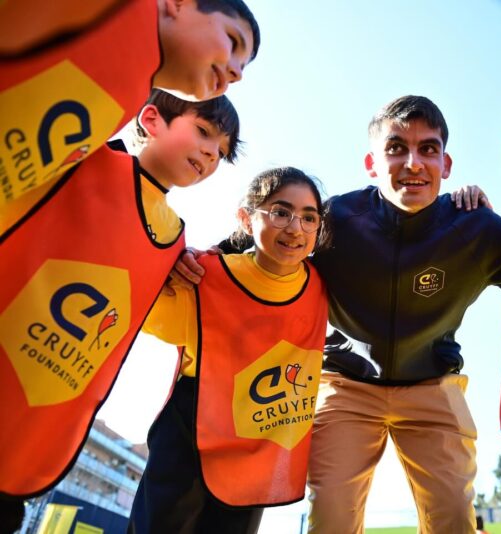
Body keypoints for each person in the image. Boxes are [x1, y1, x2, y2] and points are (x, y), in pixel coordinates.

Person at [175, 95, 501, 532]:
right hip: (346, 387)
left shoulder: (479, 230)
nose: (413, 163)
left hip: (435, 388)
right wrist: (199, 257)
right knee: (329, 512)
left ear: (447, 164)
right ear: (373, 164)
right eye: (396, 149)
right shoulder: (334, 221)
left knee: (451, 517)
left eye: (428, 149)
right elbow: (268, 240)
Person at [0, 89, 240, 506]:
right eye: (203, 131)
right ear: (150, 119)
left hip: (40, 421)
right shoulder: (87, 159)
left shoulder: (172, 236)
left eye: (221, 152)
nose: (210, 154)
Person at [128, 167, 329, 533]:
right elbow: (137, 300)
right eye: (281, 212)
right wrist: (168, 264)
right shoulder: (204, 275)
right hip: (191, 428)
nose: (295, 227)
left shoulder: (324, 285)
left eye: (308, 217)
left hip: (261, 439)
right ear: (245, 218)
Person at [0, 0, 260, 233]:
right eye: (233, 41)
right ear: (178, 3)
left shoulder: (127, 97)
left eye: (243, 66)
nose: (238, 74)